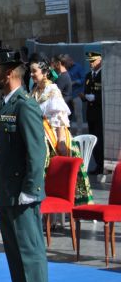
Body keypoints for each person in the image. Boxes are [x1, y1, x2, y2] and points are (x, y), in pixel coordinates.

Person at [0, 51, 49, 282]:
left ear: (9, 73)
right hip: (6, 191)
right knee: (14, 253)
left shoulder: (25, 104)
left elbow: (36, 151)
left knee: (30, 252)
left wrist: (31, 189)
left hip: (22, 193)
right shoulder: (6, 103)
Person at [29, 59, 93, 205]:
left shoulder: (52, 90)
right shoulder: (34, 90)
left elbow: (59, 117)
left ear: (45, 73)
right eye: (31, 71)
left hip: (53, 137)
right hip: (39, 134)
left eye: (35, 71)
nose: (32, 74)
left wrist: (61, 141)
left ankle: (58, 206)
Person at [80, 51, 104, 182]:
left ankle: (102, 165)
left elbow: (106, 93)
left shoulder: (104, 75)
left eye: (93, 61)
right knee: (94, 140)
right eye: (89, 61)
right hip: (91, 113)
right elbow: (86, 91)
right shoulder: (89, 75)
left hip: (100, 112)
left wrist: (95, 97)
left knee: (101, 140)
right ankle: (97, 164)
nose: (91, 63)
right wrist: (85, 97)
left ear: (100, 60)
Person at [64, 54, 85, 135]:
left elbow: (83, 79)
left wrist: (75, 82)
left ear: (70, 60)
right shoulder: (66, 68)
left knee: (78, 114)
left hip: (76, 94)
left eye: (66, 62)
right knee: (67, 114)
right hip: (68, 96)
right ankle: (68, 132)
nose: (65, 64)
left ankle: (79, 132)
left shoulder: (78, 67)